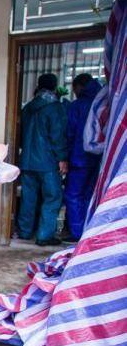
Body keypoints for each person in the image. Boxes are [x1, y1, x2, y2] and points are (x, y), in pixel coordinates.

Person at [16, 73, 68, 246]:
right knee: (52, 197)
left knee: (28, 197)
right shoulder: (55, 107)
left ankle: (24, 232)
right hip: (47, 162)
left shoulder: (28, 107)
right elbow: (57, 136)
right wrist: (62, 158)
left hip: (27, 161)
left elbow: (21, 134)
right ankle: (44, 236)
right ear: (54, 86)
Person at [64, 74, 102, 242]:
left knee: (73, 195)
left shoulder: (77, 106)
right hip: (98, 158)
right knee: (89, 195)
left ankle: (78, 234)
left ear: (80, 86)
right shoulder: (104, 102)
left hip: (79, 157)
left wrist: (64, 157)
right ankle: (88, 233)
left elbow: (69, 133)